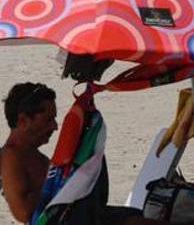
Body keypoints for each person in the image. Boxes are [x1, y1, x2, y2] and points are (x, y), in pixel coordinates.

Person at [2, 83, 160, 225]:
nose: (55, 127)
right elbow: (22, 213)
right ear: (23, 120)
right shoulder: (10, 157)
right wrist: (63, 186)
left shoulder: (32, 155)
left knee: (137, 217)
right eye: (48, 120)